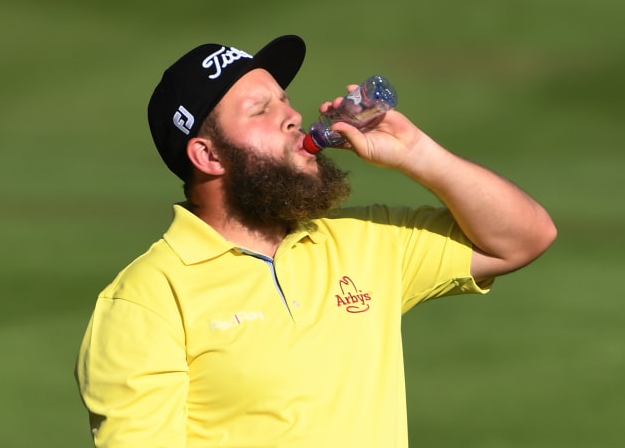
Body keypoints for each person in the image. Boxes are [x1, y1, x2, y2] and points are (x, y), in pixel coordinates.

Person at [74, 35, 556, 447]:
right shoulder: (147, 300)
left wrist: (417, 154)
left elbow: (522, 238)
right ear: (208, 155)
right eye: (262, 110)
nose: (293, 116)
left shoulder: (369, 241)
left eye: (285, 100)